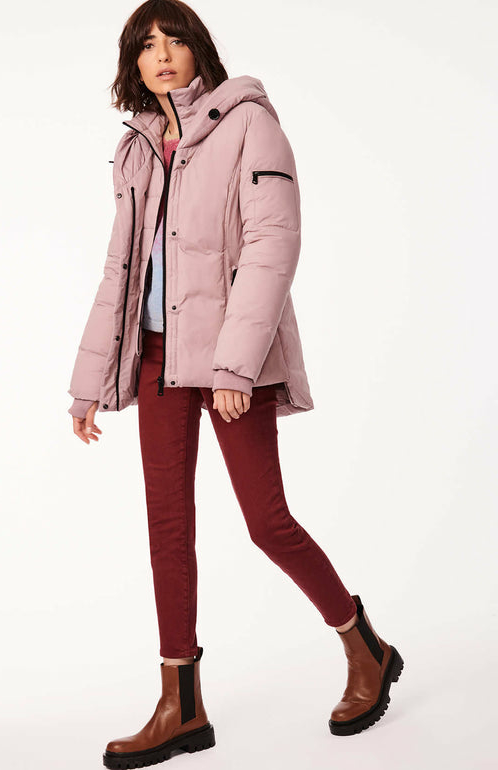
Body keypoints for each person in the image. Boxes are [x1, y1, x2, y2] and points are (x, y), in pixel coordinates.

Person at [67, 1, 404, 766]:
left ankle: (366, 647)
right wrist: (89, 382)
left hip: (228, 361)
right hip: (156, 360)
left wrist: (236, 365)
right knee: (167, 529)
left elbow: (271, 246)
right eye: (146, 44)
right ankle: (181, 705)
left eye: (174, 40)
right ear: (132, 62)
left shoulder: (250, 123)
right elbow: (121, 270)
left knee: (266, 521)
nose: (161, 54)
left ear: (200, 50)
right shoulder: (136, 148)